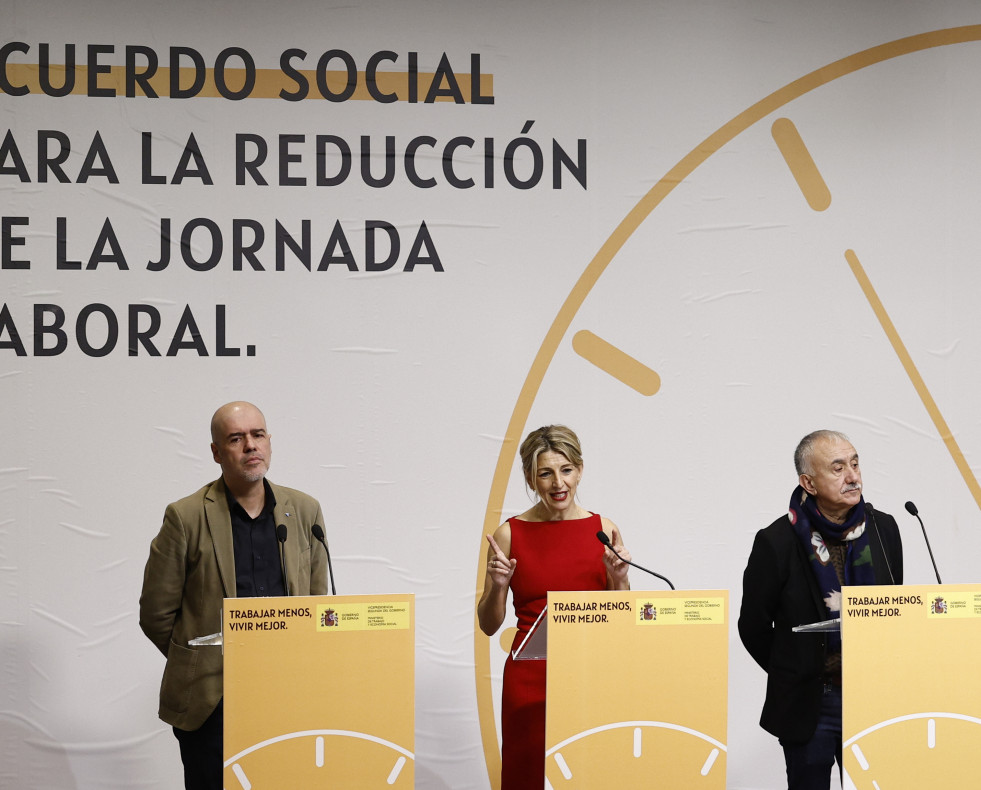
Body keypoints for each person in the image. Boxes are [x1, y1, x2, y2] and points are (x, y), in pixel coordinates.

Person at [139, 401, 328, 790]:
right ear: (216, 452)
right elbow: (156, 614)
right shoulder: (186, 516)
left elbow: (315, 601)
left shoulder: (304, 511)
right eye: (236, 438)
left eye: (257, 435)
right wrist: (200, 660)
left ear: (270, 443)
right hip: (213, 699)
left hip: (287, 692)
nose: (250, 446)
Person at [738, 430, 903, 790]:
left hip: (872, 697)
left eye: (856, 464)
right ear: (808, 482)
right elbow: (752, 626)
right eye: (838, 468)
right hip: (813, 703)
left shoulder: (883, 528)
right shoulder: (777, 541)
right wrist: (797, 668)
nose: (853, 476)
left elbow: (893, 612)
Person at [477, 425, 632, 790]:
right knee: (524, 774)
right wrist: (498, 586)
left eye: (565, 470)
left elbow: (621, 618)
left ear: (579, 470)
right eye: (545, 473)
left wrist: (620, 578)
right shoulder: (509, 534)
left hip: (591, 672)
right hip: (529, 679)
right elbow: (487, 624)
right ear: (532, 478)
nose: (558, 483)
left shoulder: (603, 529)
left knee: (592, 773)